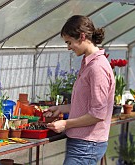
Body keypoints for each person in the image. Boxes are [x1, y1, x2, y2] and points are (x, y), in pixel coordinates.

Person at [44, 15, 115, 165]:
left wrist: (65, 124)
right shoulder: (88, 64)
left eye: (69, 42)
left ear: (82, 37)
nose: (68, 47)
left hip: (87, 145)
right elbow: (87, 105)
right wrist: (61, 108)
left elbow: (97, 114)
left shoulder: (97, 68)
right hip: (83, 144)